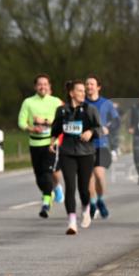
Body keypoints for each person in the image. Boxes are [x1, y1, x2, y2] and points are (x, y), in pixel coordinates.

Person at [50, 80, 102, 235]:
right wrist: (52, 142)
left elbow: (99, 128)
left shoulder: (90, 109)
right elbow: (56, 129)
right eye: (80, 90)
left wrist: (90, 132)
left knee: (83, 188)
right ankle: (72, 222)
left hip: (86, 153)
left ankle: (86, 209)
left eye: (84, 91)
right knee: (70, 187)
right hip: (67, 152)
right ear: (72, 93)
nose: (83, 93)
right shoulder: (62, 110)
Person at [18, 74, 64, 218]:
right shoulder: (28, 102)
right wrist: (32, 128)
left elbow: (63, 121)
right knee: (39, 176)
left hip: (51, 143)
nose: (42, 87)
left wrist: (46, 121)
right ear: (35, 86)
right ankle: (50, 191)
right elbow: (21, 122)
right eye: (39, 84)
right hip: (35, 143)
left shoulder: (56, 102)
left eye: (45, 84)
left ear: (49, 86)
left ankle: (46, 203)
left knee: (47, 172)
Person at [84, 75, 119, 219]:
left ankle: (100, 200)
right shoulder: (81, 103)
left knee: (99, 175)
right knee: (88, 177)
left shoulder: (106, 103)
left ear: (98, 87)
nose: (89, 87)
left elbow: (116, 121)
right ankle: (92, 203)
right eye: (87, 84)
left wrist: (108, 129)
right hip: (83, 145)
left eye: (92, 84)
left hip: (101, 143)